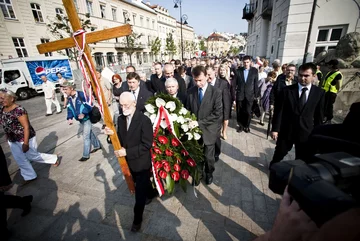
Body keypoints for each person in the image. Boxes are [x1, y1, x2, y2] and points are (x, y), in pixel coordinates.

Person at [105, 92, 154, 232]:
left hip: (141, 162)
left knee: (139, 194)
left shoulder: (144, 120)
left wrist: (127, 152)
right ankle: (150, 194)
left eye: (126, 105)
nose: (123, 108)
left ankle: (137, 220)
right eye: (121, 105)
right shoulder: (120, 119)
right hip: (128, 162)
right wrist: (111, 136)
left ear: (134, 103)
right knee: (142, 185)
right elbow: (120, 138)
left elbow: (147, 144)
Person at [270, 63, 325, 167]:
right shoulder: (287, 91)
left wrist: (318, 135)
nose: (302, 78)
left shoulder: (319, 93)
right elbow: (279, 111)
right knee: (279, 154)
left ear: (313, 76)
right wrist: (275, 129)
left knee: (301, 159)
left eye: (306, 76)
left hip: (306, 133)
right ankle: (273, 168)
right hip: (287, 131)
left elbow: (319, 116)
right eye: (300, 75)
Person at [0, 90, 59, 182]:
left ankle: (53, 158)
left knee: (32, 156)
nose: (1, 100)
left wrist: (26, 143)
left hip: (24, 138)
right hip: (12, 139)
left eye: (2, 98)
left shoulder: (19, 110)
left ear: (11, 98)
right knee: (19, 159)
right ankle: (29, 176)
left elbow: (26, 127)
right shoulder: (2, 110)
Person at [186, 66, 222, 185]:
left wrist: (199, 123)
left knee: (208, 157)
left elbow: (217, 113)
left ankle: (209, 172)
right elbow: (188, 110)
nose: (198, 83)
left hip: (209, 130)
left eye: (200, 80)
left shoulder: (215, 92)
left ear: (207, 76)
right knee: (196, 155)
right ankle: (198, 173)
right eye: (195, 80)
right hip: (194, 130)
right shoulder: (191, 91)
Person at [63, 82, 101, 162]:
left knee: (86, 136)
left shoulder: (81, 95)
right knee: (90, 133)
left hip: (87, 118)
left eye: (66, 89)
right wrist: (69, 118)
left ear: (71, 88)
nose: (64, 91)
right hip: (80, 119)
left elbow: (89, 105)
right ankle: (97, 145)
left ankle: (85, 155)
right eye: (63, 89)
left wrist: (84, 113)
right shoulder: (69, 98)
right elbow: (69, 109)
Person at [206, 65, 230, 163]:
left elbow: (226, 101)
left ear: (215, 73)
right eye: (206, 75)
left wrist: (226, 117)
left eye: (210, 74)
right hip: (206, 115)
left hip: (218, 116)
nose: (208, 77)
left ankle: (216, 152)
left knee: (216, 136)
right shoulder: (204, 84)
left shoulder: (223, 83)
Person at [235, 55, 259, 133]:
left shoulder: (254, 71)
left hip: (250, 95)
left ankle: (247, 126)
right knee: (240, 111)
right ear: (242, 62)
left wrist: (256, 95)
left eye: (247, 62)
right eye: (244, 62)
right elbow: (235, 84)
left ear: (250, 62)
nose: (246, 64)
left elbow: (256, 84)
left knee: (248, 112)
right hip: (240, 94)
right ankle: (240, 126)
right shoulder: (238, 71)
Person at [322, 59, 343, 124]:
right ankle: (323, 117)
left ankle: (328, 119)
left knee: (329, 106)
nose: (328, 65)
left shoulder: (338, 74)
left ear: (332, 65)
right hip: (326, 91)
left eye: (329, 64)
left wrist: (337, 89)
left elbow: (338, 85)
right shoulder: (330, 72)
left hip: (331, 92)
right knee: (324, 105)